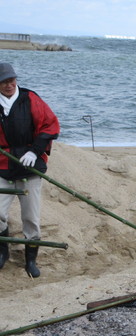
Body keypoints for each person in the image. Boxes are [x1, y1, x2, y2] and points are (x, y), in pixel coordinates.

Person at [0, 62, 60, 277]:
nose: (9, 85)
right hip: (3, 165)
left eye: (12, 80)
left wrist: (35, 152)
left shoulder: (30, 99)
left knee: (31, 218)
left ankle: (30, 261)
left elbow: (51, 125)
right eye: (4, 81)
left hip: (29, 166)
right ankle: (2, 252)